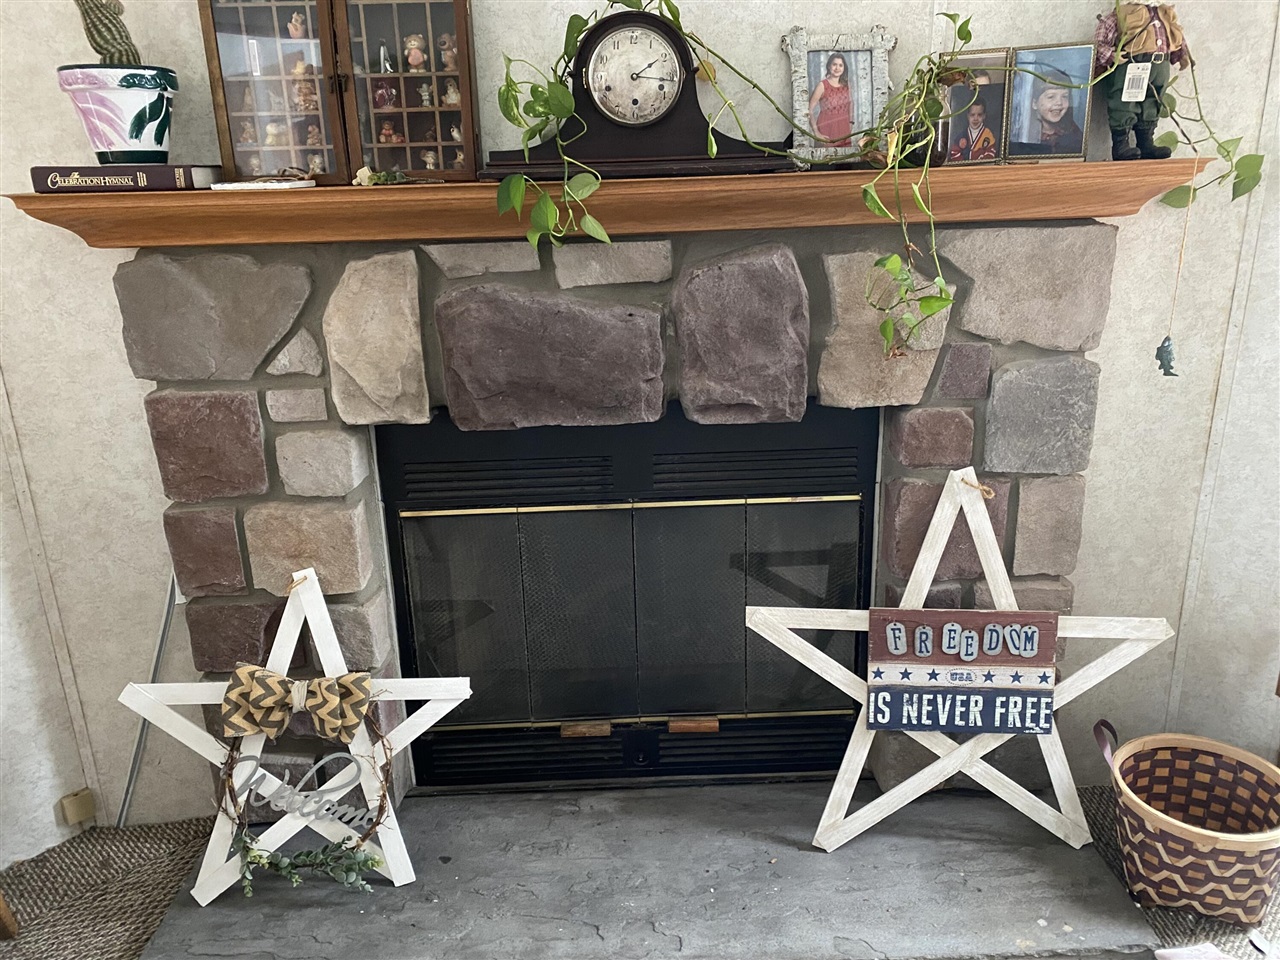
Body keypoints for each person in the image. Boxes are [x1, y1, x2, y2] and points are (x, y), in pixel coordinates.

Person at [1094, 3, 1191, 160]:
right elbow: (1100, 41)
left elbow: (1175, 33)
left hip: (1160, 65)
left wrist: (1182, 54)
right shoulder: (1121, 13)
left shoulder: (1165, 12)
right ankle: (1120, 145)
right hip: (1132, 64)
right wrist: (1111, 54)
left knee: (1153, 101)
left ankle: (1146, 143)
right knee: (1124, 101)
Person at [1015, 66, 1083, 155]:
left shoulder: (1074, 135)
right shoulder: (1024, 134)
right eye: (1051, 97)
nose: (1059, 102)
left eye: (1065, 96)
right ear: (1034, 103)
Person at [808, 53, 853, 147]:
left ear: (844, 68)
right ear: (829, 66)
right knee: (827, 155)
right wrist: (816, 133)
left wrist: (851, 122)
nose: (837, 68)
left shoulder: (847, 85)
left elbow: (850, 103)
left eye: (840, 65)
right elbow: (809, 110)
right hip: (826, 128)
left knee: (846, 155)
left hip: (844, 128)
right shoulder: (822, 85)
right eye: (834, 64)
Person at [949, 95, 998, 162]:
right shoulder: (962, 136)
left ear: (984, 116)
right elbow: (954, 153)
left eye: (979, 115)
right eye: (972, 115)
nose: (975, 118)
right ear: (968, 116)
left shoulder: (988, 135)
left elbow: (990, 153)